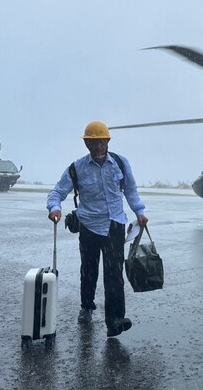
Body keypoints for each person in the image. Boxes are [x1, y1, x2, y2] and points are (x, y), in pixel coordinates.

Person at [47, 121, 149, 338]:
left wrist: (139, 211)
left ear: (108, 141)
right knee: (89, 270)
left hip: (114, 225)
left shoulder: (120, 164)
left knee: (114, 274)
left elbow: (130, 190)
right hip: (89, 226)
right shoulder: (77, 168)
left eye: (101, 141)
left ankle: (115, 320)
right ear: (86, 144)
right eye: (93, 142)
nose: (98, 146)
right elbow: (57, 193)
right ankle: (87, 307)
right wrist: (55, 208)